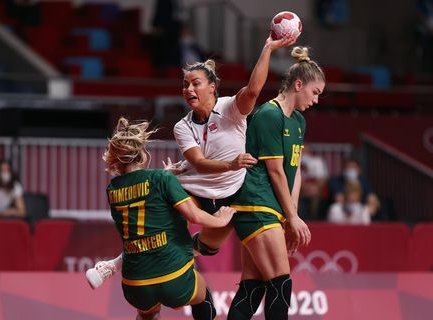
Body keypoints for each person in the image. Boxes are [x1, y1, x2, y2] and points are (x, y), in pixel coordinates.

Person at [86, 33, 297, 286]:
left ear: (212, 88)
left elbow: (253, 89)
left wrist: (268, 48)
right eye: (185, 85)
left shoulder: (231, 108)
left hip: (234, 191)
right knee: (158, 218)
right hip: (199, 188)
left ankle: (177, 257)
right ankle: (113, 265)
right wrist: (228, 164)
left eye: (195, 83)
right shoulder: (182, 126)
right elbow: (199, 163)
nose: (189, 89)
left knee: (208, 247)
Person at [87, 117, 235, 320]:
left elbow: (142, 200)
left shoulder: (112, 190)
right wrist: (221, 220)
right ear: (143, 153)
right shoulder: (161, 179)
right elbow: (193, 214)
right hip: (173, 276)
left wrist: (163, 176)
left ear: (115, 159)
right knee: (203, 297)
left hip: (135, 284)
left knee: (147, 314)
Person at [227, 46, 323, 320]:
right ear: (298, 84)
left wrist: (290, 216)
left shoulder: (299, 121)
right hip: (255, 206)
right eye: (314, 92)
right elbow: (276, 171)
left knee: (252, 289)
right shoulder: (270, 115)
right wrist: (291, 217)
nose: (316, 100)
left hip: (270, 210)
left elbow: (295, 172)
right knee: (281, 285)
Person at [299, 142, 329, 220]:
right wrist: (304, 187)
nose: (304, 153)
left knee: (315, 195)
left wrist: (315, 188)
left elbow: (323, 179)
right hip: (300, 189)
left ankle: (314, 219)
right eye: (302, 151)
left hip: (316, 189)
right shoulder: (296, 162)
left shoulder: (317, 161)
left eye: (305, 151)